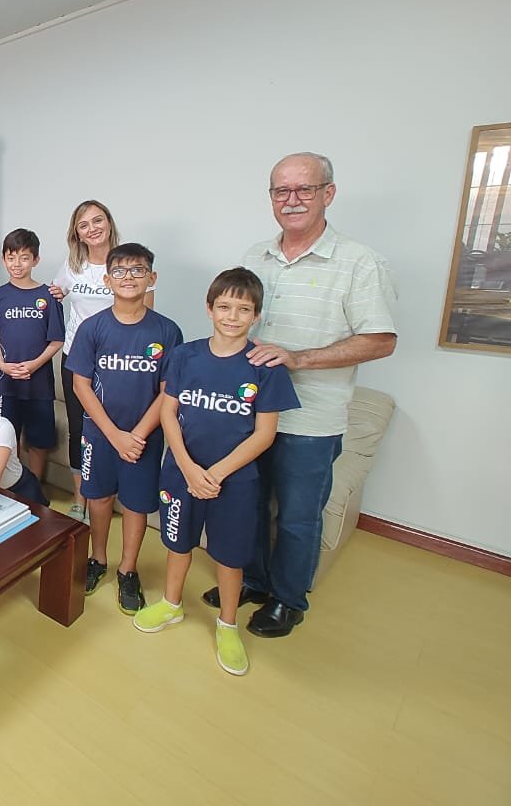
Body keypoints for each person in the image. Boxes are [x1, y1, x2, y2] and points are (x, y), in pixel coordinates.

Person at [202, 152, 397, 638]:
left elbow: (381, 340)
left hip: (310, 421)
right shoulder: (255, 256)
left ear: (327, 193)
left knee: (296, 517)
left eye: (303, 189)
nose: (291, 200)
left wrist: (300, 358)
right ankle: (253, 580)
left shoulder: (358, 261)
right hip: (249, 415)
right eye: (281, 190)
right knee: (249, 504)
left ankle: (288, 600)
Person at [133, 268, 300, 676]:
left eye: (243, 309)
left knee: (229, 555)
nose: (232, 316)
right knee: (178, 544)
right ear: (209, 309)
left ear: (256, 316)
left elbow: (264, 434)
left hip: (234, 482)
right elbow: (168, 413)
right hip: (180, 473)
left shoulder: (264, 367)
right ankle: (171, 604)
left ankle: (227, 625)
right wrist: (189, 468)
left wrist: (215, 474)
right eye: (224, 307)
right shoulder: (185, 356)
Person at [65, 243, 183, 613]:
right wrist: (114, 436)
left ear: (152, 277)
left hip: (143, 440)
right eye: (119, 271)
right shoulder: (92, 328)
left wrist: (136, 436)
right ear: (107, 280)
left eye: (137, 270)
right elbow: (80, 385)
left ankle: (128, 570)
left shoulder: (167, 331)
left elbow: (168, 392)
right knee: (99, 499)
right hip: (100, 435)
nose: (128, 277)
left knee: (134, 505)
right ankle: (98, 559)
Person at [51, 200, 154, 519]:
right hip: (77, 359)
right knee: (79, 429)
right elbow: (54, 294)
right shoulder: (73, 265)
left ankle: (111, 496)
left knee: (115, 426)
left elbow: (146, 318)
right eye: (83, 225)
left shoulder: (129, 263)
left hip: (119, 364)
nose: (92, 228)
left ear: (109, 223)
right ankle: (81, 498)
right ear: (77, 234)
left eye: (98, 220)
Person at [0, 229, 65, 482]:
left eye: (24, 257)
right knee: (7, 437)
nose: (17, 264)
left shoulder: (48, 296)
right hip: (6, 383)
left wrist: (34, 364)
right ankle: (14, 485)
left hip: (39, 384)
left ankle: (35, 487)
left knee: (39, 441)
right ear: (3, 259)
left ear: (35, 260)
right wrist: (2, 365)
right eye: (11, 257)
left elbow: (57, 340)